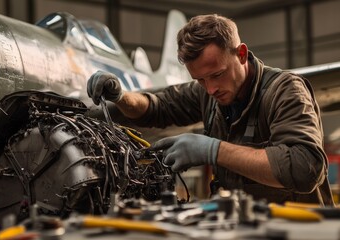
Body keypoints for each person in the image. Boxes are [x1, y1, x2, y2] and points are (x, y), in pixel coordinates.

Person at [87, 14, 334, 205]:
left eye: (217, 74)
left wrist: (213, 150)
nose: (211, 89)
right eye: (201, 80)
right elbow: (158, 107)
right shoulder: (207, 93)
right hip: (243, 226)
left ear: (241, 54)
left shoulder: (285, 90)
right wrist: (120, 96)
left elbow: (305, 169)